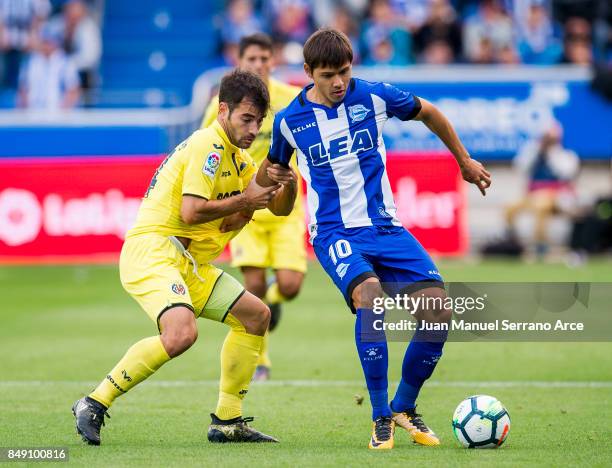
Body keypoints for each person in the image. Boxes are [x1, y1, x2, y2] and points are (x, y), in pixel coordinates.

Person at [258, 28, 491, 449]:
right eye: (328, 75)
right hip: (333, 233)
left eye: (344, 72)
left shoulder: (374, 96)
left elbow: (430, 112)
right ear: (308, 72)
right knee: (369, 295)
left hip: (386, 227)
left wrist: (463, 159)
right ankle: (380, 414)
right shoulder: (288, 122)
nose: (338, 83)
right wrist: (280, 185)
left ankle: (404, 407)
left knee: (438, 311)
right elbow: (273, 189)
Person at [72, 69, 298, 446]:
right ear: (222, 110)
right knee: (181, 333)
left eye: (259, 121)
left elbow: (278, 208)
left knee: (256, 316)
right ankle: (94, 401)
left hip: (189, 265)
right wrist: (245, 201)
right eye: (246, 118)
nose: (253, 129)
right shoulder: (206, 146)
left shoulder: (237, 158)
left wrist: (285, 180)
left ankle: (228, 421)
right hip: (154, 251)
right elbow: (192, 211)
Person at [202, 33, 306, 381]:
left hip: (285, 206)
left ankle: (274, 300)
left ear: (273, 60)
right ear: (240, 62)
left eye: (265, 58)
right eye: (252, 60)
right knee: (254, 283)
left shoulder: (291, 99)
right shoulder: (223, 105)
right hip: (247, 207)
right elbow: (207, 147)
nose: (259, 65)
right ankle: (261, 360)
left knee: (290, 286)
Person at [505, 121, 579, 257]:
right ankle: (513, 244)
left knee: (540, 205)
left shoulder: (565, 155)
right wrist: (538, 150)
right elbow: (519, 167)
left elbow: (565, 173)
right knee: (510, 207)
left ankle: (540, 245)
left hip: (556, 197)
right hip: (532, 195)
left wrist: (551, 151)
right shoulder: (533, 152)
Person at [17, 23, 80, 109]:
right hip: (33, 114)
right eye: (45, 41)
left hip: (58, 114)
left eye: (51, 41)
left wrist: (62, 112)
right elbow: (23, 90)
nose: (48, 45)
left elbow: (73, 91)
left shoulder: (66, 62)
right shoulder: (29, 62)